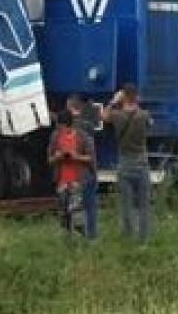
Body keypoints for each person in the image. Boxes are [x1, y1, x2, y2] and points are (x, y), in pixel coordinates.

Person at [102, 83, 151, 243]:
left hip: (125, 163)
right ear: (136, 97)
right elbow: (150, 124)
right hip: (142, 163)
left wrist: (113, 101)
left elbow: (104, 117)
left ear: (122, 97)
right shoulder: (144, 115)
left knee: (126, 205)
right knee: (143, 205)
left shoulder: (117, 116)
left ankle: (128, 237)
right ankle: (143, 240)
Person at [48, 107, 94, 237]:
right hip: (61, 180)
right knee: (63, 213)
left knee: (76, 212)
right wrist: (57, 157)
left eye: (62, 127)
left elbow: (90, 157)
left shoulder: (81, 137)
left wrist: (76, 156)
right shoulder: (55, 137)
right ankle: (66, 239)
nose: (61, 130)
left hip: (76, 180)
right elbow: (49, 159)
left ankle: (81, 238)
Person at [67, 94, 100, 239]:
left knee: (74, 206)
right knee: (90, 206)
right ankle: (91, 236)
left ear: (69, 106)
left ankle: (76, 235)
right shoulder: (88, 125)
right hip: (88, 170)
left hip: (74, 171)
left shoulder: (68, 127)